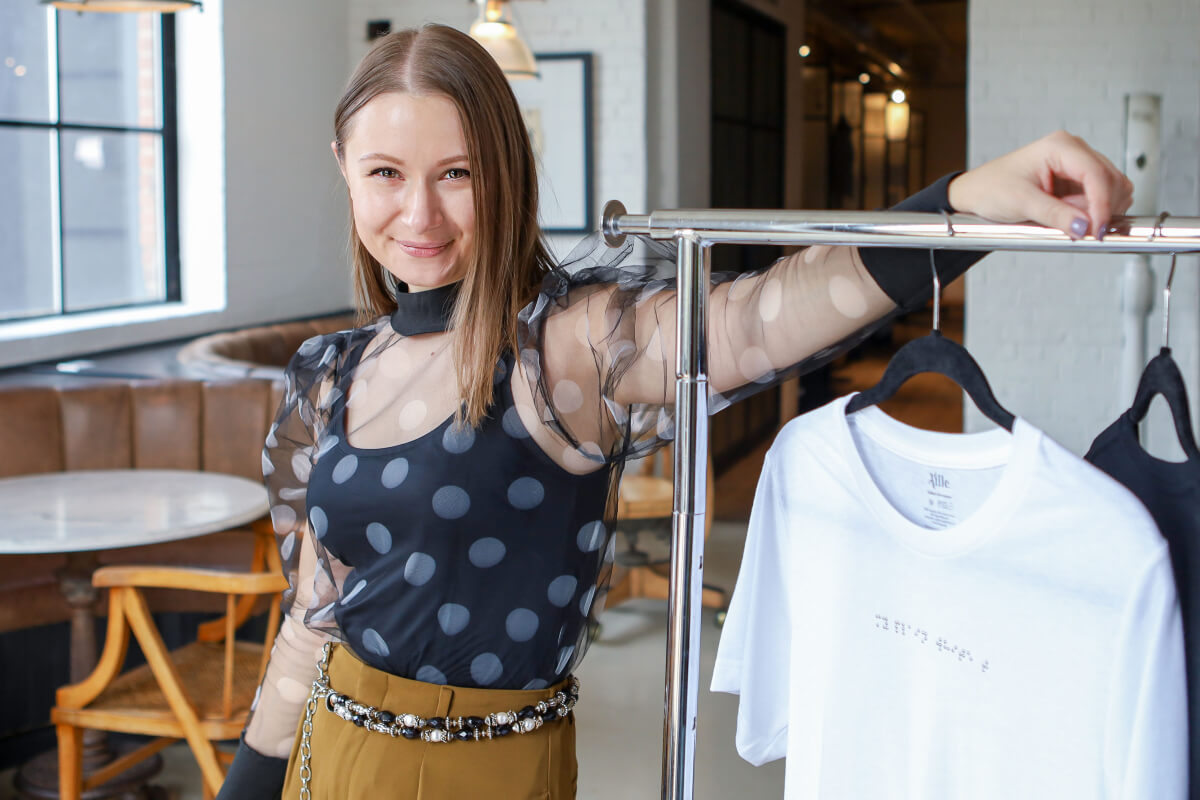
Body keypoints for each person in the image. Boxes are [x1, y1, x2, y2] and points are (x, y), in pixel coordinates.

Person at [216, 23, 1133, 800]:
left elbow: (759, 322)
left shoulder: (561, 349)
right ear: (343, 166)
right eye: (385, 172)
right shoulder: (327, 376)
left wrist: (959, 209)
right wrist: (247, 785)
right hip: (328, 755)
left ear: (505, 169)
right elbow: (313, 615)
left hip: (490, 770)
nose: (419, 213)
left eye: (457, 173)